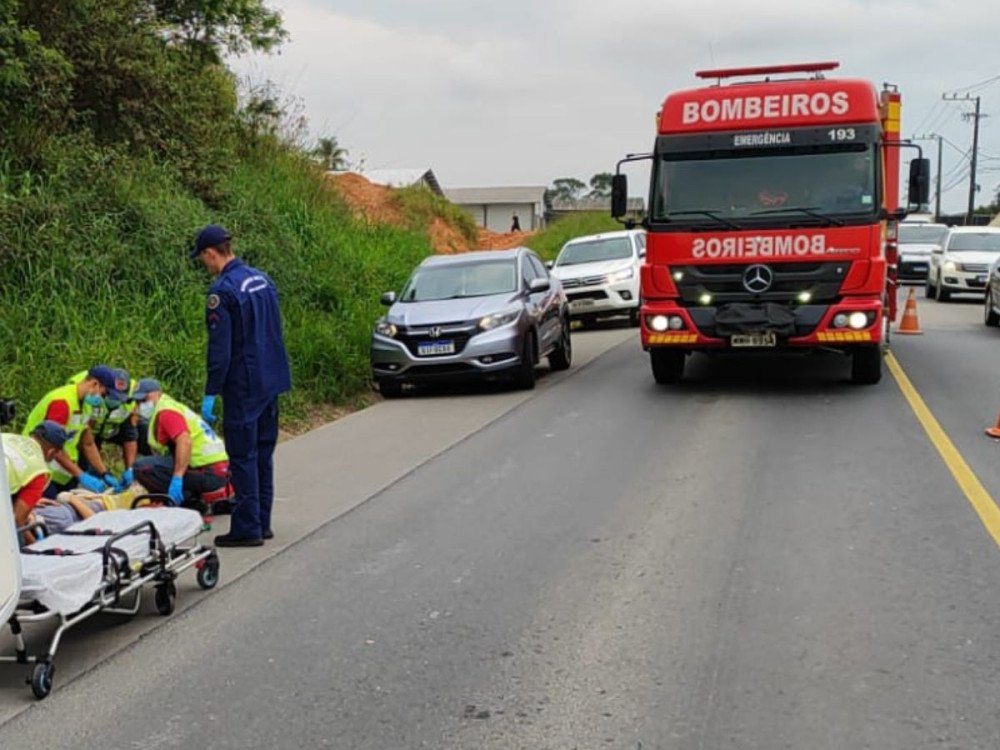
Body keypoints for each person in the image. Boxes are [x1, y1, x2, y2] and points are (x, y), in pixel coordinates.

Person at [191, 224, 291, 547]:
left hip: (244, 385)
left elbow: (220, 350)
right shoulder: (262, 279)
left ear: (210, 253)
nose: (204, 264)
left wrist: (211, 391)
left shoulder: (222, 292)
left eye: (202, 257)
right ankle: (262, 521)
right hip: (270, 378)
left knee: (242, 456)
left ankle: (247, 528)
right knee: (263, 453)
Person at [22, 366, 130, 498]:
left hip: (64, 472)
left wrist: (104, 473)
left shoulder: (86, 406)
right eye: (104, 394)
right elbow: (52, 446)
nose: (104, 399)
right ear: (94, 384)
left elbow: (88, 444)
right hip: (41, 469)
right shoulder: (62, 402)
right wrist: (81, 475)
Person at [129, 379, 230, 508]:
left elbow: (184, 440)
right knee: (155, 463)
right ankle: (190, 498)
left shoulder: (166, 412)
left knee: (142, 468)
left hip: (209, 471)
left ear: (157, 393)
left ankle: (181, 502)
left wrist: (177, 477)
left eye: (144, 400)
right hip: (217, 469)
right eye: (138, 402)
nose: (141, 405)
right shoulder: (170, 407)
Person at [70, 368, 147, 487]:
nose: (116, 400)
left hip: (112, 428)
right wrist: (100, 471)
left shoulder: (131, 398)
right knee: (84, 466)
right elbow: (87, 442)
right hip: (90, 430)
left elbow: (130, 436)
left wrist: (129, 469)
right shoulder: (89, 396)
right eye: (112, 396)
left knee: (144, 431)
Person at [4, 421, 74, 541]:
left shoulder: (7, 437)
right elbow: (16, 521)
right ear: (51, 452)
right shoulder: (39, 471)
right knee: (16, 540)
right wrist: (37, 546)